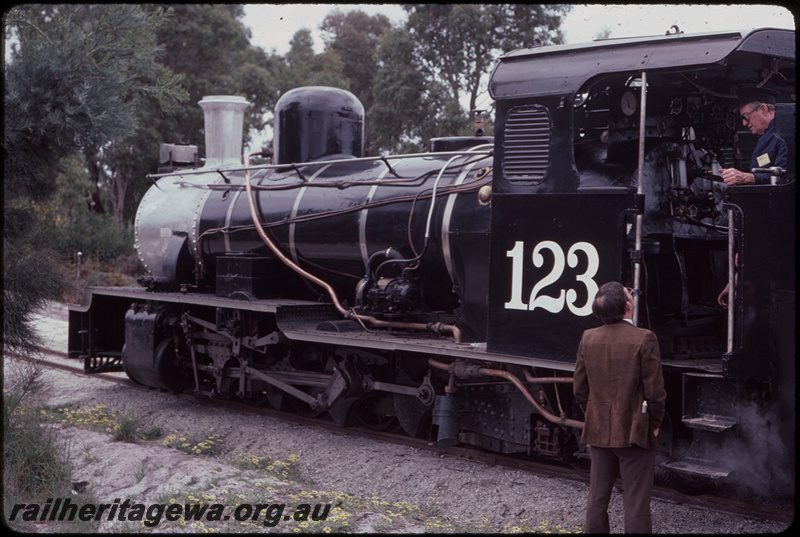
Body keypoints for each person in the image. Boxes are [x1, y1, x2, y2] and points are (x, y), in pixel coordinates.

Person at [573, 282, 666, 534]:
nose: (632, 297)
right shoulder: (645, 337)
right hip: (634, 432)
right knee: (635, 501)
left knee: (597, 496)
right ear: (627, 306)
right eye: (630, 295)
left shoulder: (588, 337)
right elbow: (655, 392)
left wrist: (594, 418)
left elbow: (580, 390)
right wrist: (654, 423)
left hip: (599, 431)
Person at [720, 86, 788, 185]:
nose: (744, 123)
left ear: (763, 109)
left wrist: (747, 178)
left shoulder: (784, 135)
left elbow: (785, 177)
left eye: (746, 117)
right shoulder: (768, 136)